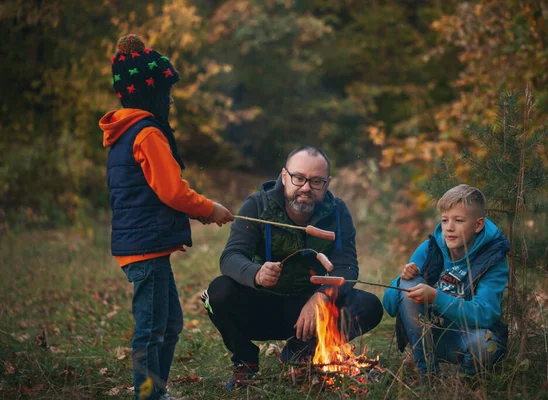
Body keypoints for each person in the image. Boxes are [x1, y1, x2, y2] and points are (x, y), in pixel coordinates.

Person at [100, 34, 234, 400]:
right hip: (145, 249)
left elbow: (160, 187)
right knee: (151, 329)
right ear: (151, 94)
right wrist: (210, 209)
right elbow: (172, 191)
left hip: (147, 247)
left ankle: (156, 390)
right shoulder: (146, 133)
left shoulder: (126, 133)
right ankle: (148, 394)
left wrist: (200, 213)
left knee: (170, 324)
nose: (172, 99)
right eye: (167, 91)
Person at [204, 146, 384, 390]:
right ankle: (245, 362)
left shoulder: (338, 212)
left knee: (369, 305)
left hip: (310, 317)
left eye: (316, 181)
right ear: (284, 176)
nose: (306, 187)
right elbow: (231, 257)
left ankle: (300, 352)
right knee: (218, 291)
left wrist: (322, 297)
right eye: (299, 178)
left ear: (327, 183)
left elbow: (347, 266)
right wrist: (255, 273)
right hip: (261, 307)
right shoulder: (257, 206)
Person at [383, 184, 509, 385]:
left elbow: (485, 314)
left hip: (465, 338)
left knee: (486, 346)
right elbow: (390, 307)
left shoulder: (492, 260)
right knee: (410, 283)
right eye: (444, 220)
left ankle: (464, 384)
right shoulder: (430, 249)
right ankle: (428, 377)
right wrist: (403, 280)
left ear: (478, 225)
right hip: (428, 337)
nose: (449, 227)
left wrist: (436, 297)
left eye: (459, 220)